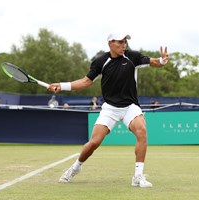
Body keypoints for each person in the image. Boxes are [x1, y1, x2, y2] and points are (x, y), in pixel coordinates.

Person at [48, 32, 169, 188]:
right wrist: (61, 86)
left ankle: (138, 177)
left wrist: (162, 61)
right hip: (110, 108)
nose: (124, 44)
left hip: (130, 106)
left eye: (125, 41)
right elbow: (85, 82)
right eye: (120, 42)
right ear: (110, 43)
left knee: (142, 130)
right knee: (94, 143)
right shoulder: (100, 62)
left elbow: (154, 62)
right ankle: (75, 167)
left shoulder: (132, 56)